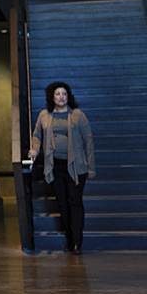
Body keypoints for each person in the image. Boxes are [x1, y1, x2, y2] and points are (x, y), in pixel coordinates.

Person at [28, 81, 95, 255]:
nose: (61, 97)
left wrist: (91, 166)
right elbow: (37, 135)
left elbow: (88, 141)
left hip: (76, 166)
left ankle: (78, 243)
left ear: (68, 96)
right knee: (63, 203)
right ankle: (69, 238)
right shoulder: (44, 115)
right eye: (57, 94)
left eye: (64, 94)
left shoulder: (78, 115)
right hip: (54, 165)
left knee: (75, 202)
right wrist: (34, 149)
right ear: (52, 97)